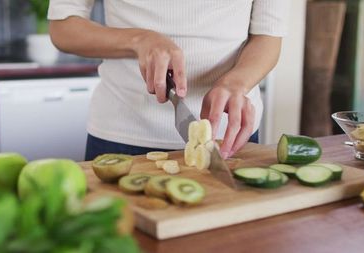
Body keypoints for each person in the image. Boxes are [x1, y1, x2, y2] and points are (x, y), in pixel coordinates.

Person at [47, 0, 290, 161]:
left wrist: (236, 82)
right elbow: (63, 26)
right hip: (122, 135)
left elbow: (267, 36)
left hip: (229, 137)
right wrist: (138, 40)